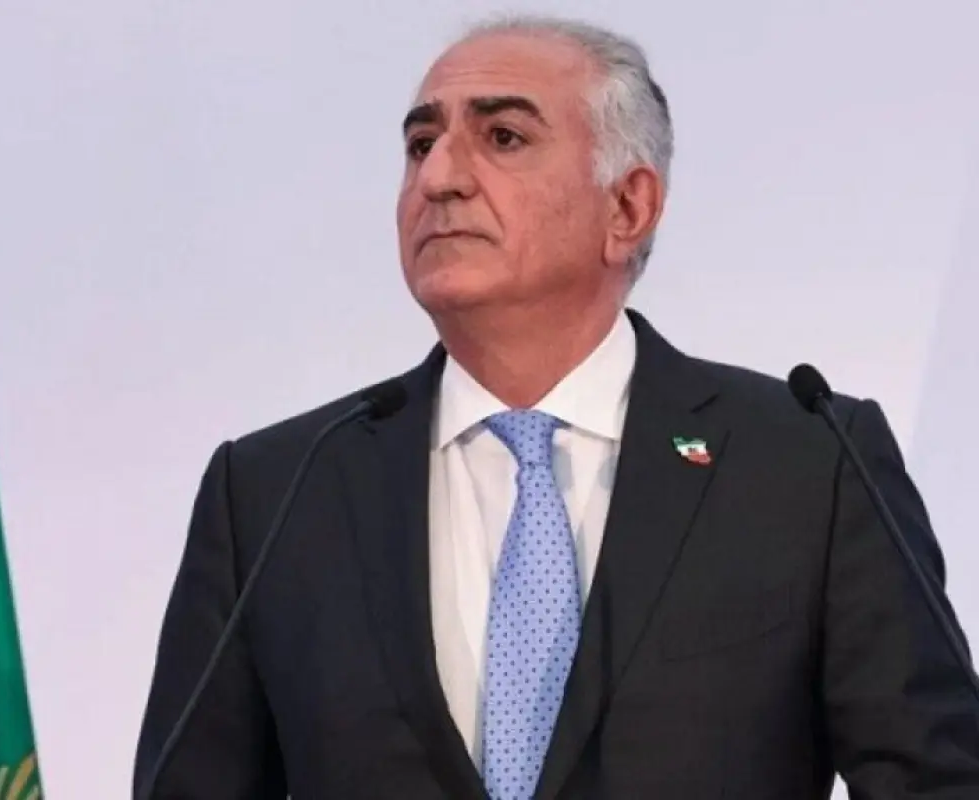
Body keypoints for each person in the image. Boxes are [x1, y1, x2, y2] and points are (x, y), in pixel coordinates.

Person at [133, 14, 979, 799]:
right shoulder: (277, 491)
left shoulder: (807, 465)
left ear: (628, 207)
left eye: (502, 137)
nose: (439, 177)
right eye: (421, 144)